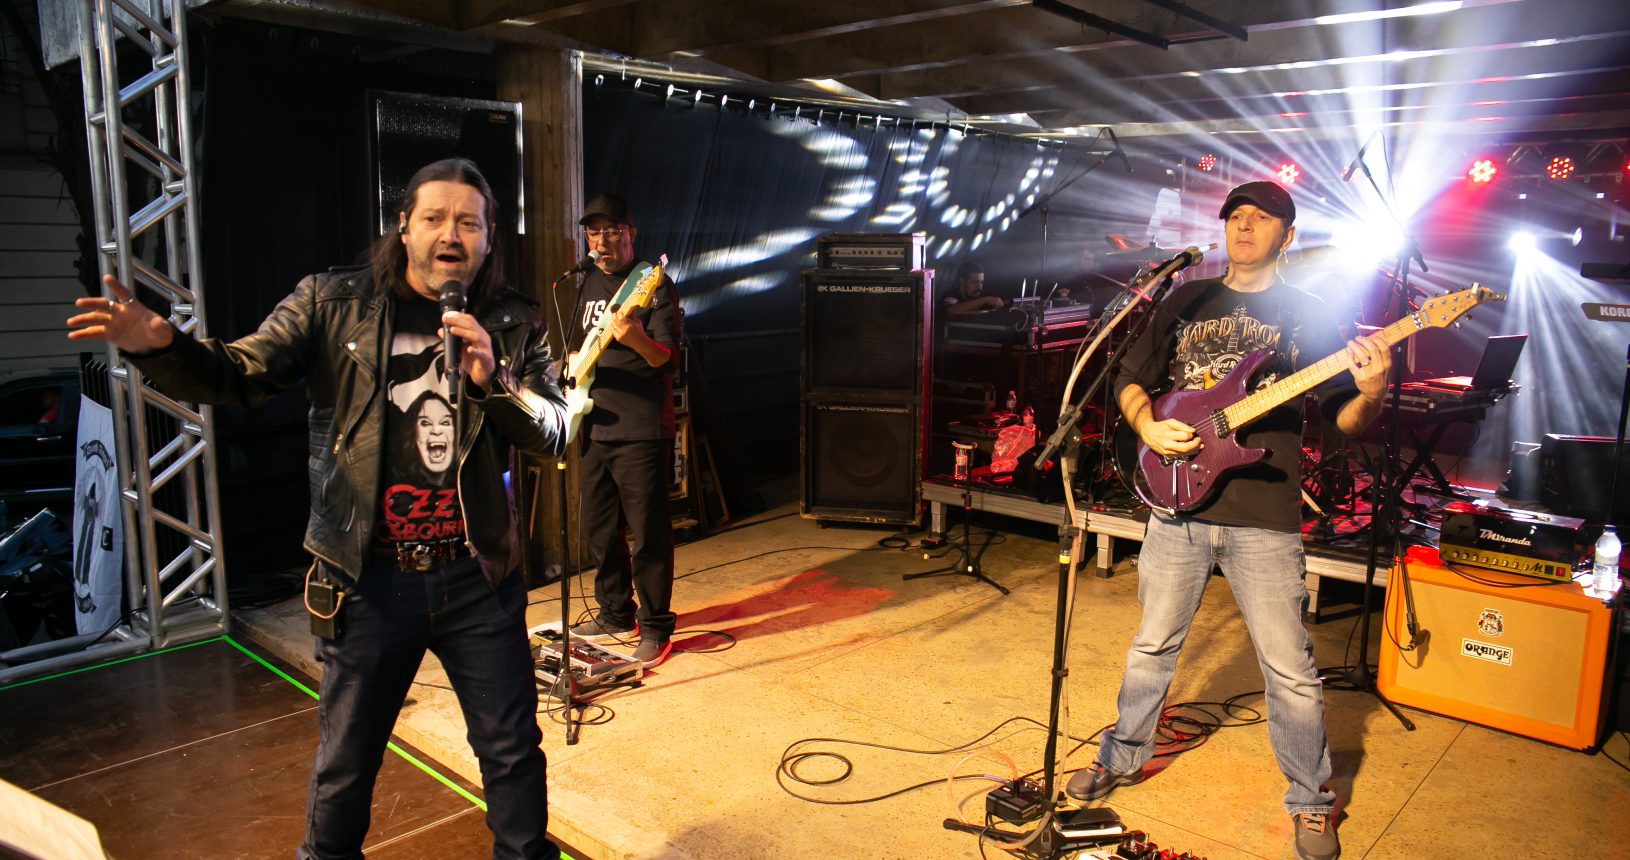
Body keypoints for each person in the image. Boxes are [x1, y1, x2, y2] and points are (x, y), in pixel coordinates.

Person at [67, 158, 565, 860]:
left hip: (477, 578)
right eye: (434, 218)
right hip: (367, 578)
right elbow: (239, 374)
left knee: (511, 751)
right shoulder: (332, 304)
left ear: (487, 239)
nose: (450, 234)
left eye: (468, 223)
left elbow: (554, 429)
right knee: (347, 762)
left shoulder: (514, 322)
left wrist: (496, 382)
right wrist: (162, 346)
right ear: (403, 227)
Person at [1066, 181, 1390, 860]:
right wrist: (1147, 427)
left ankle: (1311, 802)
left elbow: (1346, 419)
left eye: (1261, 218)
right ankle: (1120, 757)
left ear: (1287, 236)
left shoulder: (1309, 315)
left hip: (1263, 515)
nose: (1244, 226)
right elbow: (1129, 378)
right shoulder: (1187, 299)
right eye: (1235, 216)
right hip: (1176, 503)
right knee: (1152, 645)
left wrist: (1371, 392)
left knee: (1290, 669)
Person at [566, 193, 681, 667]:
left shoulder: (653, 284)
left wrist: (637, 339)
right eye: (593, 232)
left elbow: (667, 360)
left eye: (612, 231)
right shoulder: (587, 281)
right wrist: (570, 364)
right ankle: (616, 612)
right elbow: (582, 347)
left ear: (630, 233)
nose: (602, 241)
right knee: (599, 527)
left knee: (648, 533)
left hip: (640, 427)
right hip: (594, 422)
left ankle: (656, 627)